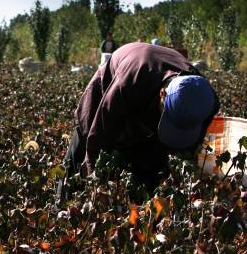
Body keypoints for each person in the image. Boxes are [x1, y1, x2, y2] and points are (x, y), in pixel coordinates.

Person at [65, 42, 219, 192]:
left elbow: (188, 148)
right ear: (162, 94)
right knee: (81, 157)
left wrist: (170, 177)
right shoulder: (131, 81)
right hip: (112, 83)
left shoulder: (205, 101)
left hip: (144, 98)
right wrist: (94, 178)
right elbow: (101, 132)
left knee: (149, 172)